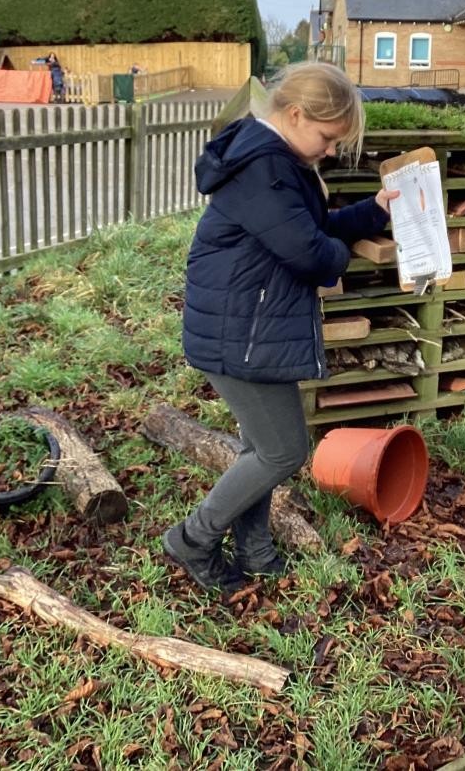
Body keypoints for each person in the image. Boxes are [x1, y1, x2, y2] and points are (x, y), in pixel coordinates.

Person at [163, 62, 400, 592]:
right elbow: (310, 252)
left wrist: (375, 210)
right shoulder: (263, 169)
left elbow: (310, 229)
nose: (332, 151)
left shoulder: (275, 161)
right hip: (240, 332)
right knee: (282, 451)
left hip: (251, 327)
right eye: (328, 137)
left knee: (261, 447)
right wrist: (342, 254)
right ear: (294, 115)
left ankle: (255, 548)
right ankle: (193, 538)